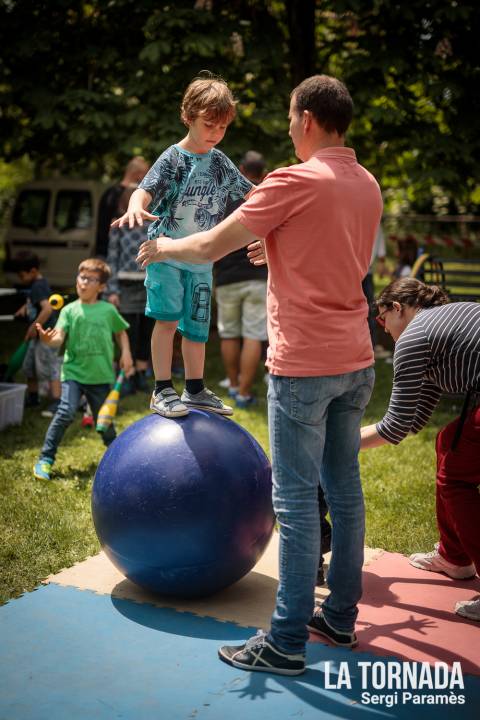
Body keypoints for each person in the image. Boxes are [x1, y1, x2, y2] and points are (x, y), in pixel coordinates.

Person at [136, 74, 383, 674]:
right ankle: (341, 618)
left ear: (305, 119)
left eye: (289, 118)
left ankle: (285, 641)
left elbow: (208, 247)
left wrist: (162, 247)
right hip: (356, 360)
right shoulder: (367, 184)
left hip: (304, 364)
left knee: (296, 506)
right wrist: (272, 246)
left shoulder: (294, 181)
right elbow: (323, 248)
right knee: (344, 496)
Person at [112, 73, 253, 418]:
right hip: (165, 254)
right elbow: (144, 190)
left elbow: (252, 194)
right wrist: (134, 205)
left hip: (202, 260)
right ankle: (161, 390)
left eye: (222, 128)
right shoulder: (173, 158)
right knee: (167, 320)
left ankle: (194, 389)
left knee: (197, 326)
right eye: (209, 125)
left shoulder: (220, 161)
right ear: (188, 117)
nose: (215, 135)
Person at [360, 277, 480, 622]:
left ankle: (459, 558)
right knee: (448, 443)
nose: (383, 330)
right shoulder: (441, 326)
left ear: (398, 308)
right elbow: (413, 422)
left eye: (381, 320)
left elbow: (395, 427)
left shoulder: (415, 336)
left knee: (455, 477)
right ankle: (454, 557)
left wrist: (341, 447)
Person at [32, 258, 133, 482]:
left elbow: (121, 332)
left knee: (103, 423)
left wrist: (125, 353)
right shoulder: (69, 310)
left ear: (102, 286)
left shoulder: (108, 310)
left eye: (91, 279)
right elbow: (58, 338)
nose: (84, 282)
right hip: (73, 373)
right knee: (65, 412)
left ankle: (119, 459)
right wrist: (47, 340)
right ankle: (45, 459)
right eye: (81, 277)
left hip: (100, 375)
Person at [214, 150, 268, 408]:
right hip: (258, 275)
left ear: (241, 170)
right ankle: (245, 393)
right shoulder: (266, 196)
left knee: (229, 335)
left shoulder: (225, 196)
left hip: (226, 276)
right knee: (253, 335)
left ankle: (233, 385)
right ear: (263, 173)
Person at [106, 184, 154, 393]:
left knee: (147, 330)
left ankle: (142, 373)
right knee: (128, 331)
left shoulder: (153, 223)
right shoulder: (118, 226)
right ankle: (128, 372)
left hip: (149, 283)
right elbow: (112, 258)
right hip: (125, 285)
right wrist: (112, 290)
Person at [14, 251, 61, 415]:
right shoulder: (37, 285)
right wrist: (25, 307)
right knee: (30, 367)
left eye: (22, 275)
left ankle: (57, 401)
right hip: (38, 336)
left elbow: (47, 308)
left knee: (49, 367)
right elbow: (37, 303)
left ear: (33, 271)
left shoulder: (38, 286)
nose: (20, 278)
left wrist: (34, 326)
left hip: (46, 336)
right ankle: (33, 397)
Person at [95, 156, 149, 258]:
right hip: (114, 252)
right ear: (137, 174)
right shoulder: (118, 195)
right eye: (145, 174)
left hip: (112, 252)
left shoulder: (109, 193)